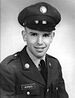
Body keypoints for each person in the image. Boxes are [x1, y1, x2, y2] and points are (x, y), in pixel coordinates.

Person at [0, 2, 69, 98]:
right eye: (34, 34)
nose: (39, 42)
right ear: (24, 36)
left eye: (45, 35)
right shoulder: (9, 69)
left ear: (52, 37)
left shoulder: (54, 65)